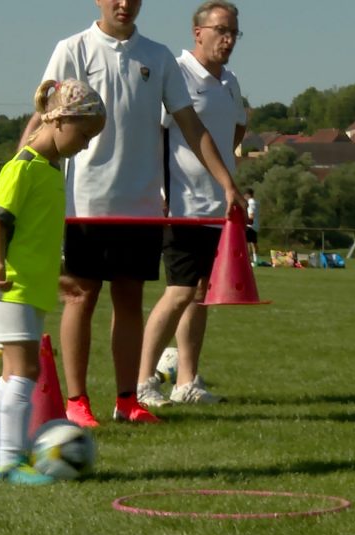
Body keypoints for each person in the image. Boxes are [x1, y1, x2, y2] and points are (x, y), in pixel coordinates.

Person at [21, 0, 245, 427]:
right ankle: (77, 402)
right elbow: (43, 116)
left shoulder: (158, 56)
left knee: (129, 302)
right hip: (84, 204)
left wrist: (227, 182)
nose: (124, 4)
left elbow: (192, 126)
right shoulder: (72, 49)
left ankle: (128, 401)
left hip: (140, 205)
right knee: (80, 298)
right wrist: (18, 169)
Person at [0, 78, 105, 485]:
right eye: (82, 135)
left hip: (26, 285)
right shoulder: (21, 167)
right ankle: (11, 461)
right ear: (59, 121)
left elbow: (34, 235)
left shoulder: (48, 172)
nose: (84, 144)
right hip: (9, 287)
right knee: (25, 373)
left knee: (11, 375)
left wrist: (56, 276)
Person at [136, 0, 246, 408]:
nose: (228, 39)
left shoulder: (230, 81)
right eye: (221, 30)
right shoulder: (176, 73)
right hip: (180, 206)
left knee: (201, 293)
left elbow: (237, 126)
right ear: (197, 32)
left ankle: (186, 381)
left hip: (218, 210)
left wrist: (223, 175)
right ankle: (143, 381)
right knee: (179, 291)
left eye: (234, 32)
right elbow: (155, 135)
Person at [245, 187, 259, 265]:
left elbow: (251, 215)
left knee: (248, 243)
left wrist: (246, 222)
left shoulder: (250, 203)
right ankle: (255, 260)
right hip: (255, 225)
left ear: (247, 195)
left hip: (250, 225)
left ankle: (250, 260)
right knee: (253, 243)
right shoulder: (255, 202)